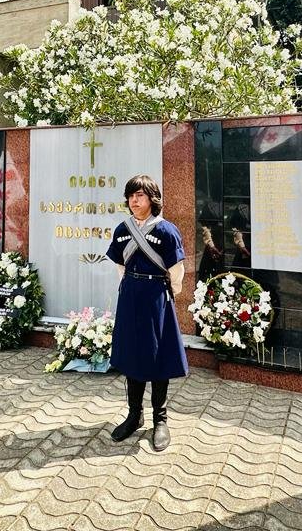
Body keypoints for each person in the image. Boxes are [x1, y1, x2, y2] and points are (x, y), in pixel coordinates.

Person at [106, 175, 187, 452]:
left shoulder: (166, 231)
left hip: (156, 297)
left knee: (157, 356)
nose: (134, 200)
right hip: (131, 296)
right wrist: (131, 285)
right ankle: (134, 414)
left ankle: (160, 420)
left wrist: (164, 294)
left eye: (139, 195)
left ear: (152, 198)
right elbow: (120, 263)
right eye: (131, 196)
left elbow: (176, 271)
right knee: (133, 353)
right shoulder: (122, 229)